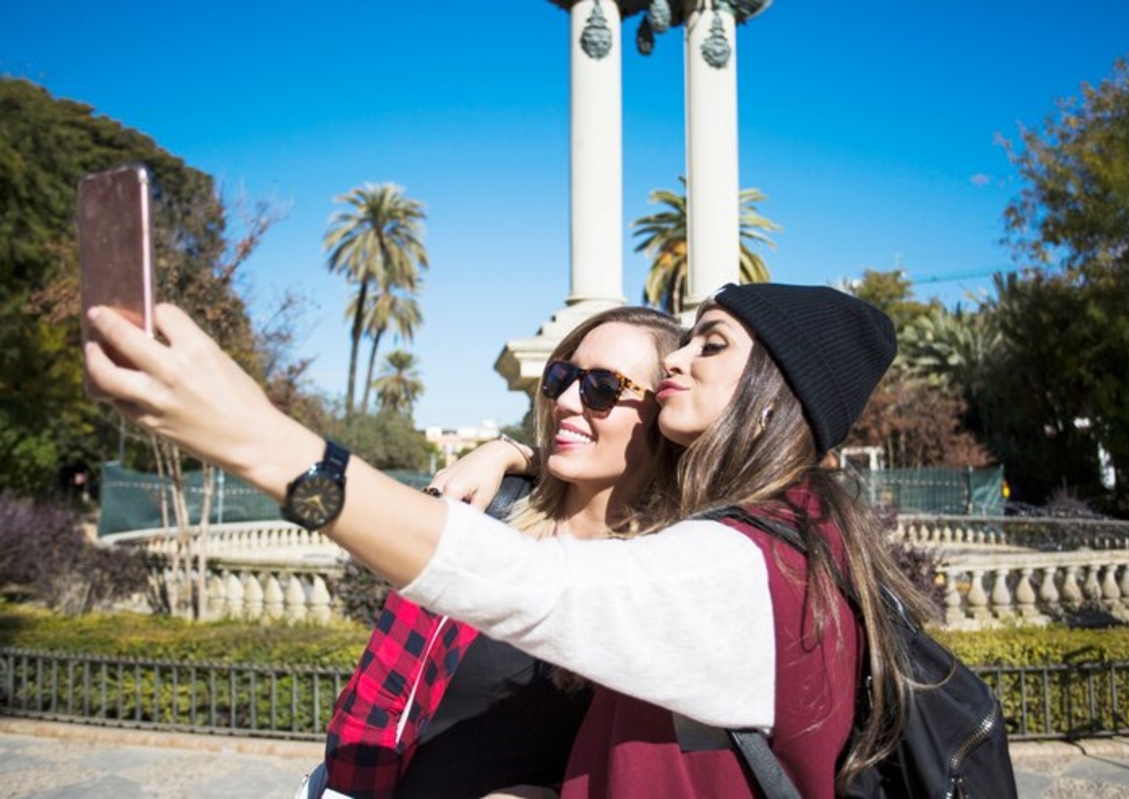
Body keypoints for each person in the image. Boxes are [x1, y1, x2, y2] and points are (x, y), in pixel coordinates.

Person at [86, 283, 934, 799]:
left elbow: (535, 586)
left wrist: (260, 440)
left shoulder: (741, 566)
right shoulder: (785, 535)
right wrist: (515, 454)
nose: (680, 361)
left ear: (772, 396)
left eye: (710, 346)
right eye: (563, 379)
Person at [301, 306, 683, 798]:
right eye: (562, 376)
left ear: (662, 415)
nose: (566, 400)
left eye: (603, 388)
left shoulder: (673, 573)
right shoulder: (483, 515)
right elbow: (377, 700)